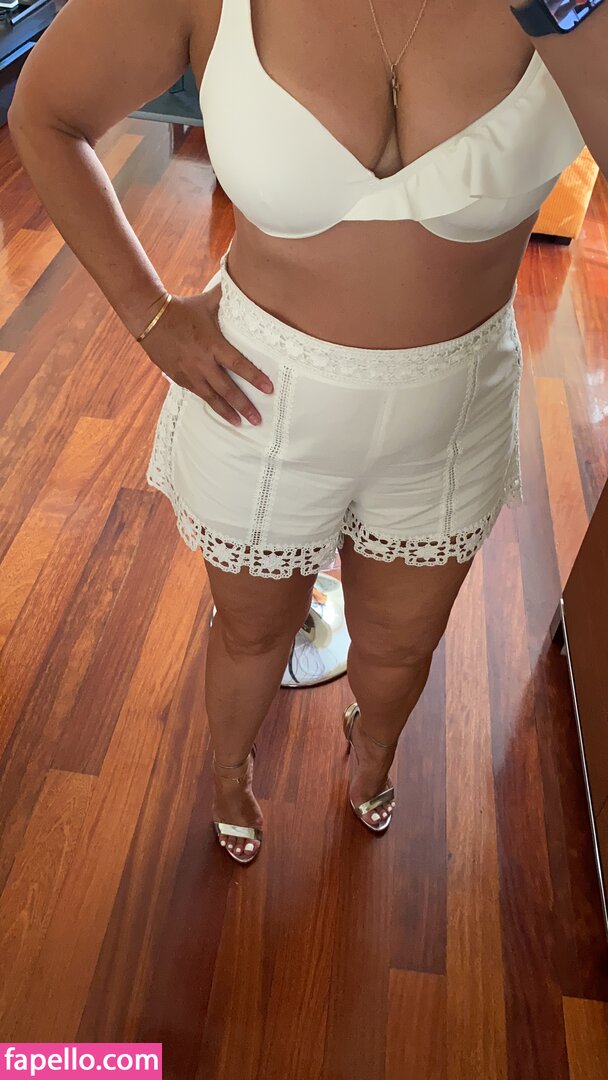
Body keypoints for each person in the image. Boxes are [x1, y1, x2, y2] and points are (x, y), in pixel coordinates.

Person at [8, 0, 607, 865]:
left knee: (402, 647)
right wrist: (149, 314)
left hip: (450, 411)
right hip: (258, 401)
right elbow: (46, 114)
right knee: (251, 634)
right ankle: (228, 773)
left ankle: (374, 754)